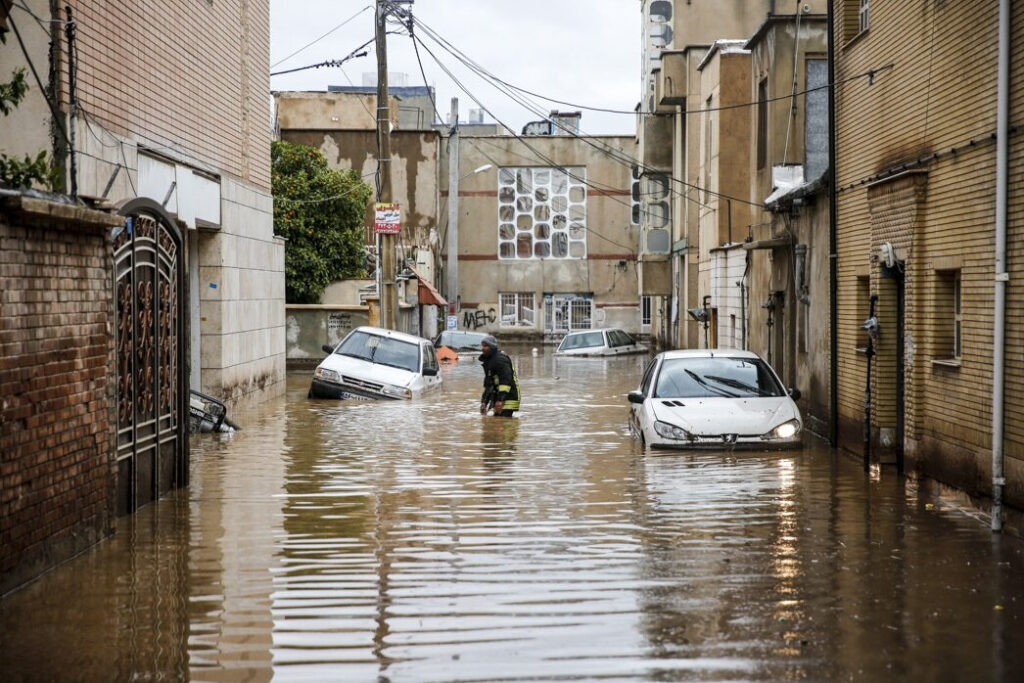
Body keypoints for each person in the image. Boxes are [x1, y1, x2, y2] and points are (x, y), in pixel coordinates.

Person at [478, 334, 521, 417]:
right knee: (495, 422)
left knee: (503, 422)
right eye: (482, 346)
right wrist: (484, 402)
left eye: (485, 346)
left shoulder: (500, 360)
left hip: (508, 397)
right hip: (498, 397)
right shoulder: (489, 361)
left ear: (492, 347)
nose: (482, 348)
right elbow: (489, 385)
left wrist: (500, 400)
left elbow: (506, 381)